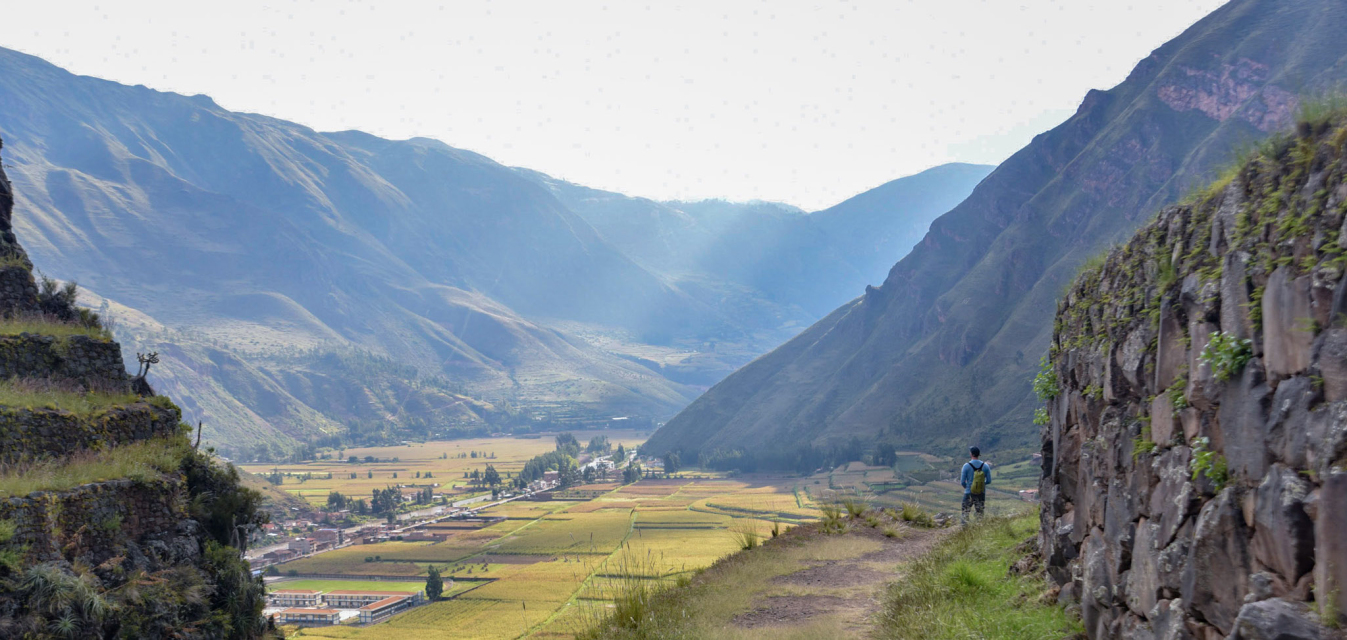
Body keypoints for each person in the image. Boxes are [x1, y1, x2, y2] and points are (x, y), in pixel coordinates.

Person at [960, 446, 991, 526]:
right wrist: (980, 485)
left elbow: (962, 482)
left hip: (969, 493)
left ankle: (964, 530)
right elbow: (988, 481)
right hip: (981, 493)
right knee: (980, 513)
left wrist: (968, 487)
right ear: (978, 454)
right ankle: (979, 529)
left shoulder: (966, 466)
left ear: (971, 454)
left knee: (965, 512)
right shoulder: (985, 466)